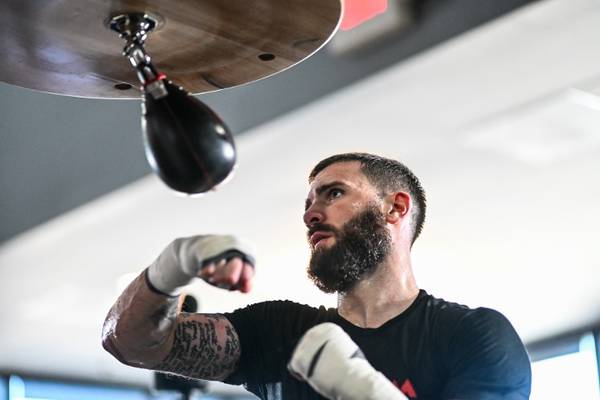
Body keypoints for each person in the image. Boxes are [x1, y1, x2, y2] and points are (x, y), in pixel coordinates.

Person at [102, 153, 532, 399]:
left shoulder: (472, 334)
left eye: (334, 193)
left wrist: (361, 390)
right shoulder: (280, 332)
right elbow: (129, 343)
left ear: (395, 208)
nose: (310, 215)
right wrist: (172, 266)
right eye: (308, 203)